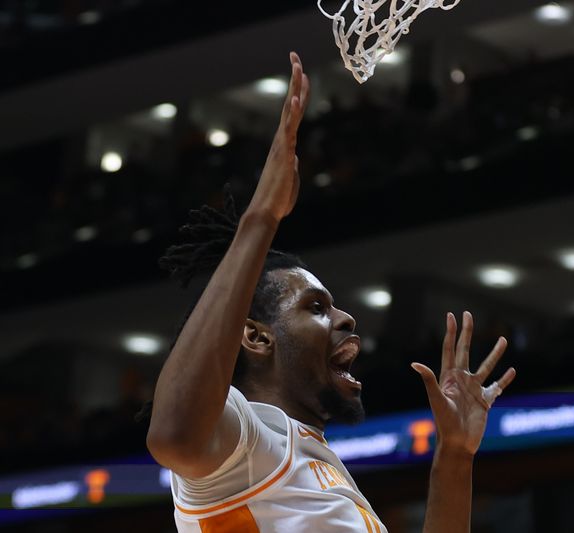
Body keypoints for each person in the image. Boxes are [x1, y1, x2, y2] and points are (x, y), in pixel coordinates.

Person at [146, 52, 516, 533]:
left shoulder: (318, 463)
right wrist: (261, 217)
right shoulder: (245, 434)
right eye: (316, 307)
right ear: (255, 337)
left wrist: (455, 457)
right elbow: (173, 435)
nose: (346, 319)